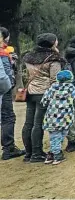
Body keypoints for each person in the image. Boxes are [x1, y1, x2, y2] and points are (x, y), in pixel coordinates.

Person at [21, 33, 66, 162]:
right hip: (44, 94)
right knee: (38, 123)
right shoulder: (53, 58)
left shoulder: (29, 57)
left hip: (30, 92)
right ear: (52, 43)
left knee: (29, 123)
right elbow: (55, 79)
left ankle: (28, 153)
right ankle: (37, 153)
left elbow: (26, 75)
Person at [41, 70, 75, 165]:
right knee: (62, 133)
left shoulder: (52, 88)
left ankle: (52, 152)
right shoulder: (73, 89)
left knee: (54, 135)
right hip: (66, 117)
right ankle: (57, 155)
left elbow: (44, 101)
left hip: (52, 116)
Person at [0, 27, 26, 160]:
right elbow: (5, 74)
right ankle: (9, 148)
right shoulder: (3, 53)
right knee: (8, 117)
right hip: (3, 90)